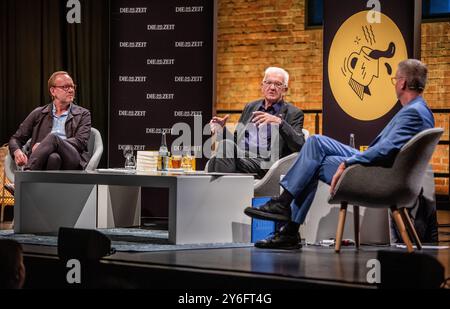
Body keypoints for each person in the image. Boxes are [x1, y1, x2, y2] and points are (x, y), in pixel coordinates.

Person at [244, 59, 435, 249]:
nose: (394, 84)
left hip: (379, 175)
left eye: (395, 79)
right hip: (382, 170)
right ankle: (287, 221)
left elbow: (384, 150)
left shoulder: (414, 113)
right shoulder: (420, 109)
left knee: (315, 155)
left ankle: (287, 217)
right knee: (315, 143)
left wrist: (348, 162)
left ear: (402, 83)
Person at [207, 67, 305, 178]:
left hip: (264, 162)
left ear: (285, 90)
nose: (272, 88)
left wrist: (280, 122)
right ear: (262, 86)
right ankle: (227, 193)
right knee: (222, 152)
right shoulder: (251, 107)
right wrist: (221, 130)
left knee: (218, 160)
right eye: (268, 83)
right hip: (241, 157)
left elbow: (300, 145)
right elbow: (235, 142)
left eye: (278, 84)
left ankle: (221, 193)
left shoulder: (294, 113)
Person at [7, 71, 91, 193]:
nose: (71, 90)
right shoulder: (38, 113)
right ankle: (46, 198)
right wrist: (17, 151)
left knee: (53, 138)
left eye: (72, 86)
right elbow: (16, 139)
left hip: (72, 158)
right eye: (65, 87)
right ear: (53, 91)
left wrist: (47, 145)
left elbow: (80, 142)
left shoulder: (83, 114)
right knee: (54, 158)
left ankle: (24, 178)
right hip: (46, 160)